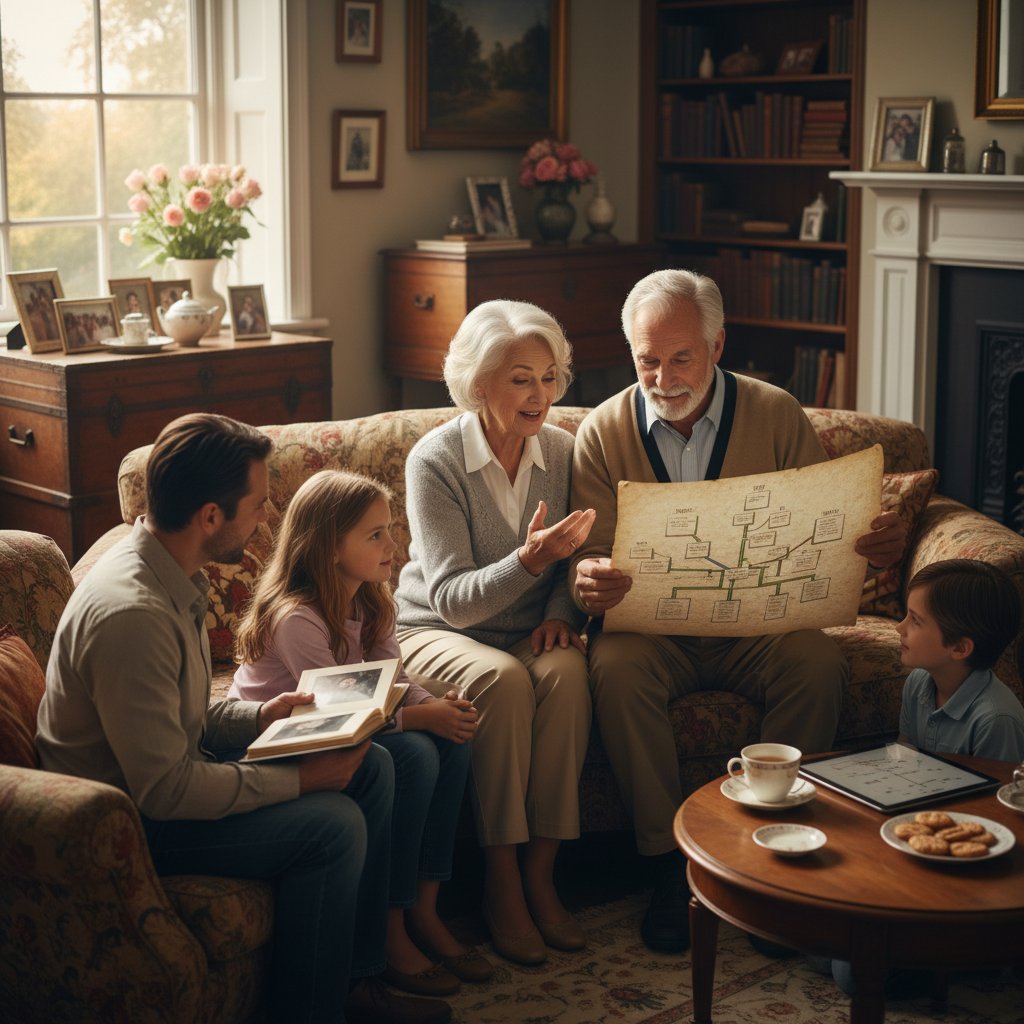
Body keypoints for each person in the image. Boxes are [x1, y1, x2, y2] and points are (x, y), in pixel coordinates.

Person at [35, 412, 448, 1024]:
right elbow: (165, 789)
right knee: (332, 823)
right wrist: (303, 781)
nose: (267, 516)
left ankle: (356, 981)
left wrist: (261, 716)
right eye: (257, 505)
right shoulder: (134, 613)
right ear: (210, 517)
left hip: (165, 777)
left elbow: (187, 718)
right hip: (128, 821)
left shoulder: (172, 576)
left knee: (376, 767)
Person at [569, 268, 907, 954]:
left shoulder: (777, 412)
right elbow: (593, 557)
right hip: (652, 633)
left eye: (681, 357)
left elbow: (826, 527)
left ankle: (767, 857)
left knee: (817, 662)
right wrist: (589, 581)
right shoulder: (602, 431)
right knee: (613, 667)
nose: (662, 377)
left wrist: (873, 545)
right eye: (646, 359)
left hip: (761, 628)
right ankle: (669, 865)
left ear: (718, 346)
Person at [231, 468, 487, 998]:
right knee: (413, 752)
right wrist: (420, 718)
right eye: (375, 535)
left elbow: (394, 681)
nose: (393, 544)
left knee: (451, 738)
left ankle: (424, 907)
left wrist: (436, 707)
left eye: (390, 529)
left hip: (344, 724)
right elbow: (335, 712)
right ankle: (390, 931)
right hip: (281, 742)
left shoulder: (371, 598)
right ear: (328, 548)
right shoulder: (297, 617)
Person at [395, 299, 597, 966]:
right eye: (520, 378)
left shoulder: (566, 450)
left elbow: (576, 566)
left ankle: (543, 875)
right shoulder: (436, 461)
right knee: (502, 683)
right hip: (436, 628)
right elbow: (451, 600)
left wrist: (562, 617)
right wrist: (530, 559)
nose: (540, 395)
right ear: (480, 382)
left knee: (567, 675)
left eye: (549, 376)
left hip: (526, 628)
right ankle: (502, 883)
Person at [823, 558, 1024, 997]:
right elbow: (904, 762)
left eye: (914, 621)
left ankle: (970, 963)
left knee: (849, 972)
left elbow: (993, 832)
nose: (898, 628)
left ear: (960, 648)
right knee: (800, 937)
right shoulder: (918, 682)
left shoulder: (997, 720)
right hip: (911, 846)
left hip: (965, 876)